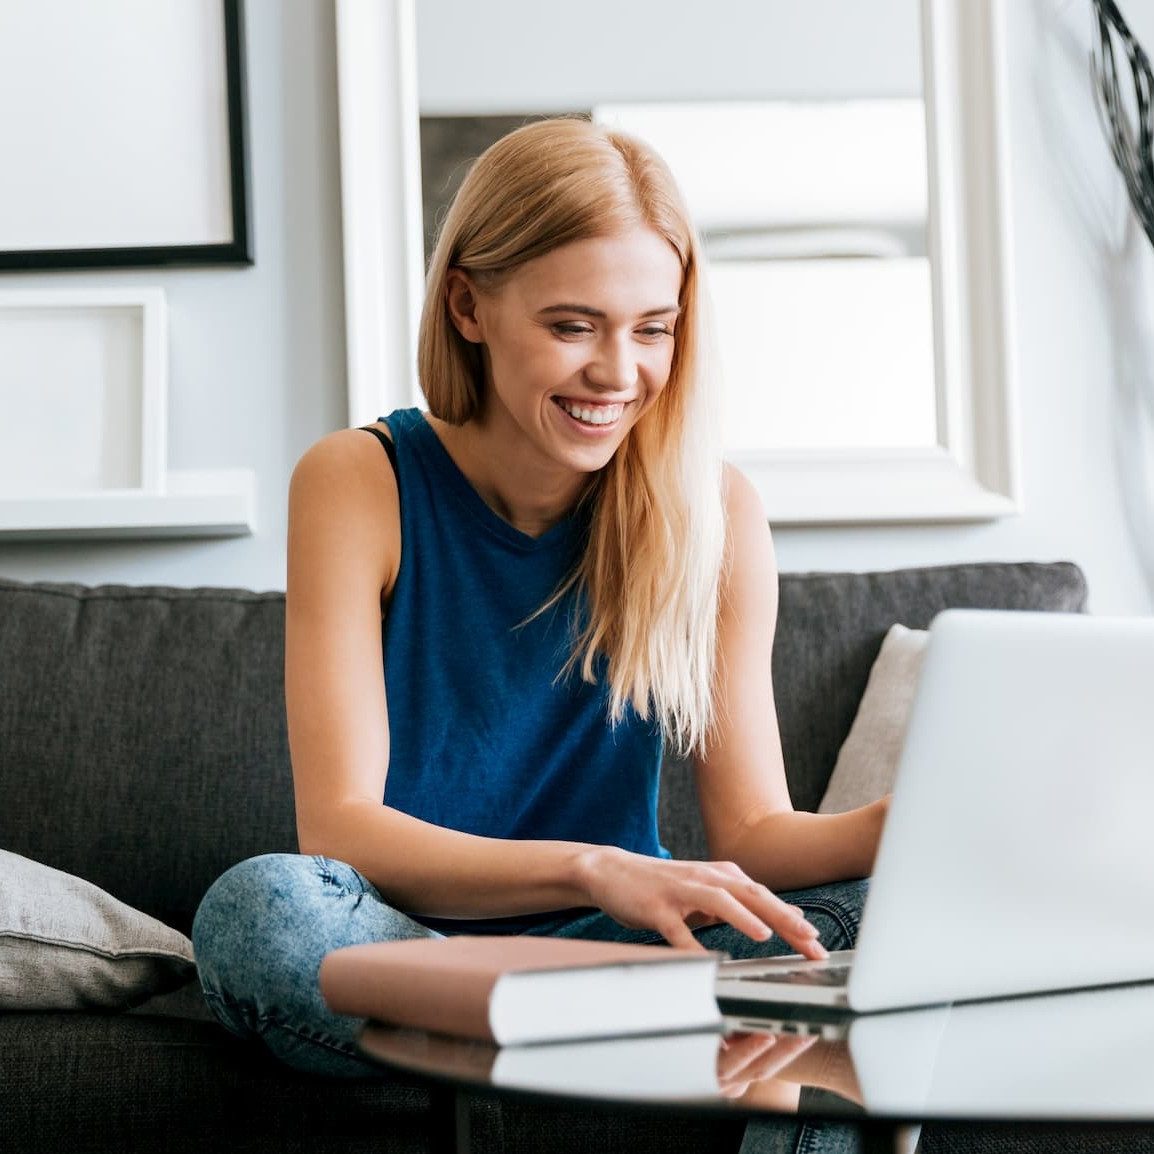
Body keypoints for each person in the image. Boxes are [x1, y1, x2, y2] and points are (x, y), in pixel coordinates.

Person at [192, 116, 890, 1150]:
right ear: (469, 304)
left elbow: (752, 836)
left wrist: (922, 823)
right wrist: (589, 866)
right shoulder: (360, 480)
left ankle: (559, 1068)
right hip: (418, 947)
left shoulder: (715, 510)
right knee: (260, 914)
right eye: (573, 325)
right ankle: (635, 1061)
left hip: (621, 954)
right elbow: (339, 829)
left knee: (867, 927)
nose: (617, 371)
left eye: (652, 327)